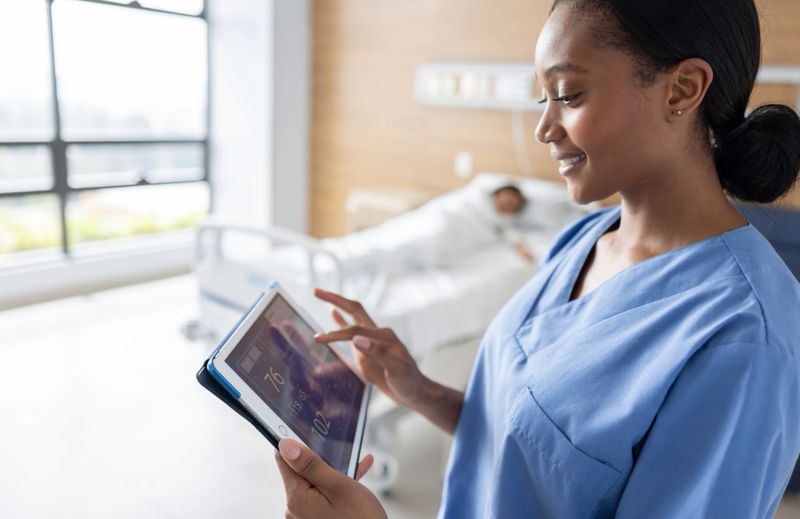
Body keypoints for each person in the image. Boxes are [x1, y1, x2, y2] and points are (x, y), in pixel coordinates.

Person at [273, 0, 800, 517]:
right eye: (542, 99)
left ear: (682, 89)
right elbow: (539, 454)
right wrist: (418, 389)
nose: (544, 129)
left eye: (568, 94)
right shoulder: (583, 241)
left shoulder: (744, 337)